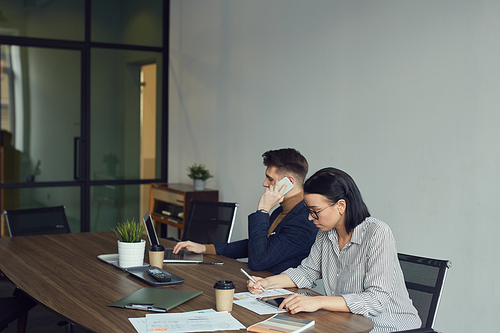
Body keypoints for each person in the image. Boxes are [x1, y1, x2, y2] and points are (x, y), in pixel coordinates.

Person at [246, 167, 421, 333]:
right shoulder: (325, 234)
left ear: (341, 206)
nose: (309, 217)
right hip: (348, 324)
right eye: (308, 210)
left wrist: (317, 301)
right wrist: (267, 283)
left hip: (389, 327)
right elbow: (307, 272)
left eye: (315, 211)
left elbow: (375, 300)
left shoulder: (377, 232)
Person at [173, 148, 318, 274]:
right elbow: (257, 244)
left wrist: (262, 210)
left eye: (270, 179)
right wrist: (205, 248)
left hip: (281, 297)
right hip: (260, 285)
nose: (264, 183)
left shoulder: (304, 220)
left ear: (289, 182)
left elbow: (258, 261)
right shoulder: (281, 210)